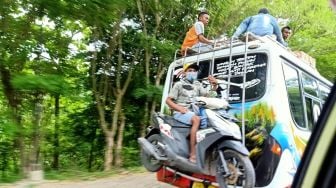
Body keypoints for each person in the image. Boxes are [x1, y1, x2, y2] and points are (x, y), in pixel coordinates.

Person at [165, 63, 218, 163]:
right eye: (190, 71)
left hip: (193, 112)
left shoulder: (197, 85)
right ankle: (192, 154)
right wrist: (179, 108)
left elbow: (208, 95)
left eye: (194, 71)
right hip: (181, 112)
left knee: (209, 121)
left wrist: (215, 85)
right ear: (185, 73)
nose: (192, 73)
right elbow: (168, 101)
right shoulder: (178, 85)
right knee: (196, 119)